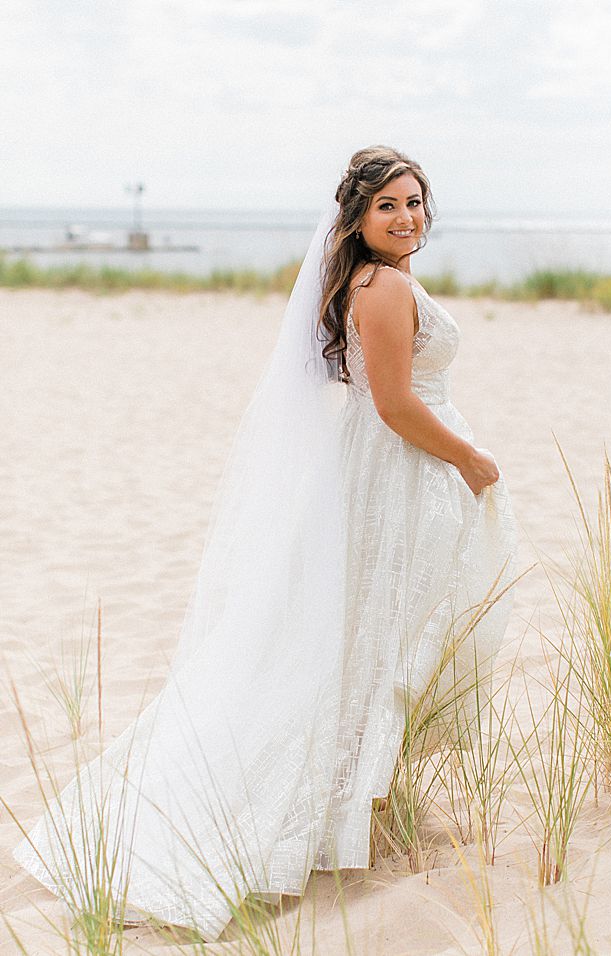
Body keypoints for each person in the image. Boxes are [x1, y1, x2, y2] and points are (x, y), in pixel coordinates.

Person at [11, 145, 516, 940]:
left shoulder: (368, 279)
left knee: (366, 643)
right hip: (397, 470)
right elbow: (391, 403)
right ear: (357, 216)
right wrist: (472, 459)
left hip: (383, 473)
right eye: (389, 205)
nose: (408, 216)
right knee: (372, 643)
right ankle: (314, 820)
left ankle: (354, 809)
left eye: (416, 201)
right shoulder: (382, 287)